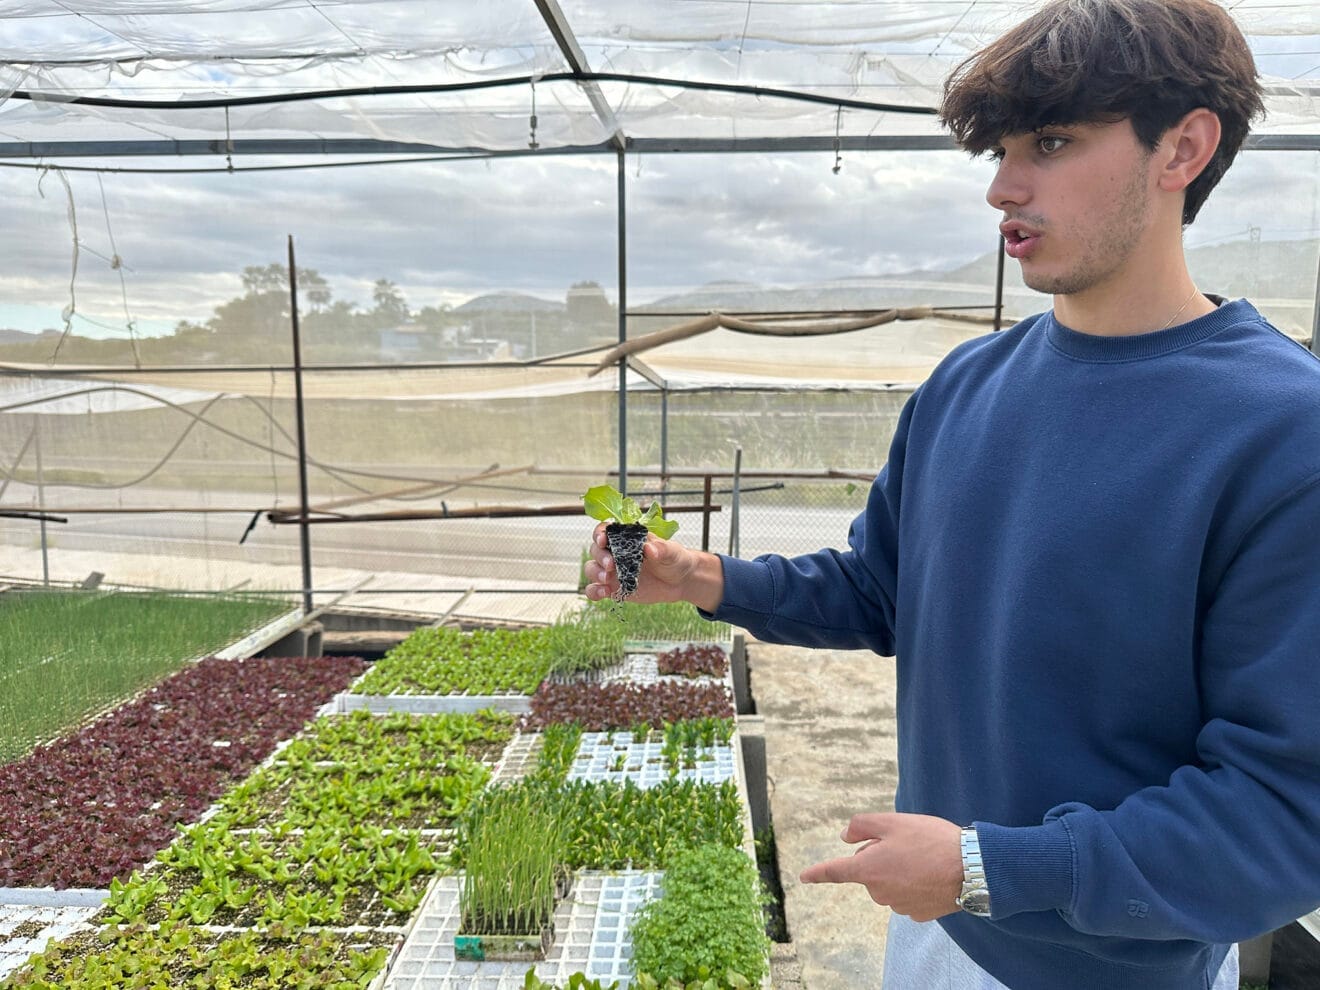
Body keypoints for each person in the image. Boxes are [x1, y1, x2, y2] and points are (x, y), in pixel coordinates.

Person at [584, 0, 1320, 987]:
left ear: (1183, 148)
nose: (1005, 187)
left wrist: (988, 865)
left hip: (1113, 963)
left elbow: (1280, 812)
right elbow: (885, 591)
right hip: (936, 920)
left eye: (1053, 142)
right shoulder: (965, 387)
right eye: (1002, 150)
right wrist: (702, 577)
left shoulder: (1280, 432)